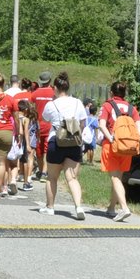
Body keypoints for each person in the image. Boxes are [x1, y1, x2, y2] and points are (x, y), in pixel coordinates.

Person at [38, 72, 88, 219]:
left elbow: (45, 119)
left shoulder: (51, 104)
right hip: (74, 141)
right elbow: (83, 123)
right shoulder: (78, 102)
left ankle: (50, 207)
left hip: (56, 140)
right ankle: (79, 207)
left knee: (52, 177)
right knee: (72, 178)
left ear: (55, 88)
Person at [97, 80, 140, 220]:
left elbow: (102, 124)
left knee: (114, 178)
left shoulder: (107, 105)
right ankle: (111, 208)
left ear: (111, 92)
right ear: (124, 93)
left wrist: (111, 138)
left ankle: (124, 208)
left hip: (112, 146)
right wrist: (133, 140)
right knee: (118, 177)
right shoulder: (131, 108)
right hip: (127, 147)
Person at [26, 71, 57, 182]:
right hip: (50, 125)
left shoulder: (34, 94)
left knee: (38, 150)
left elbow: (31, 109)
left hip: (37, 125)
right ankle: (44, 172)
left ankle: (40, 170)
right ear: (50, 80)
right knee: (46, 150)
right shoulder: (54, 93)